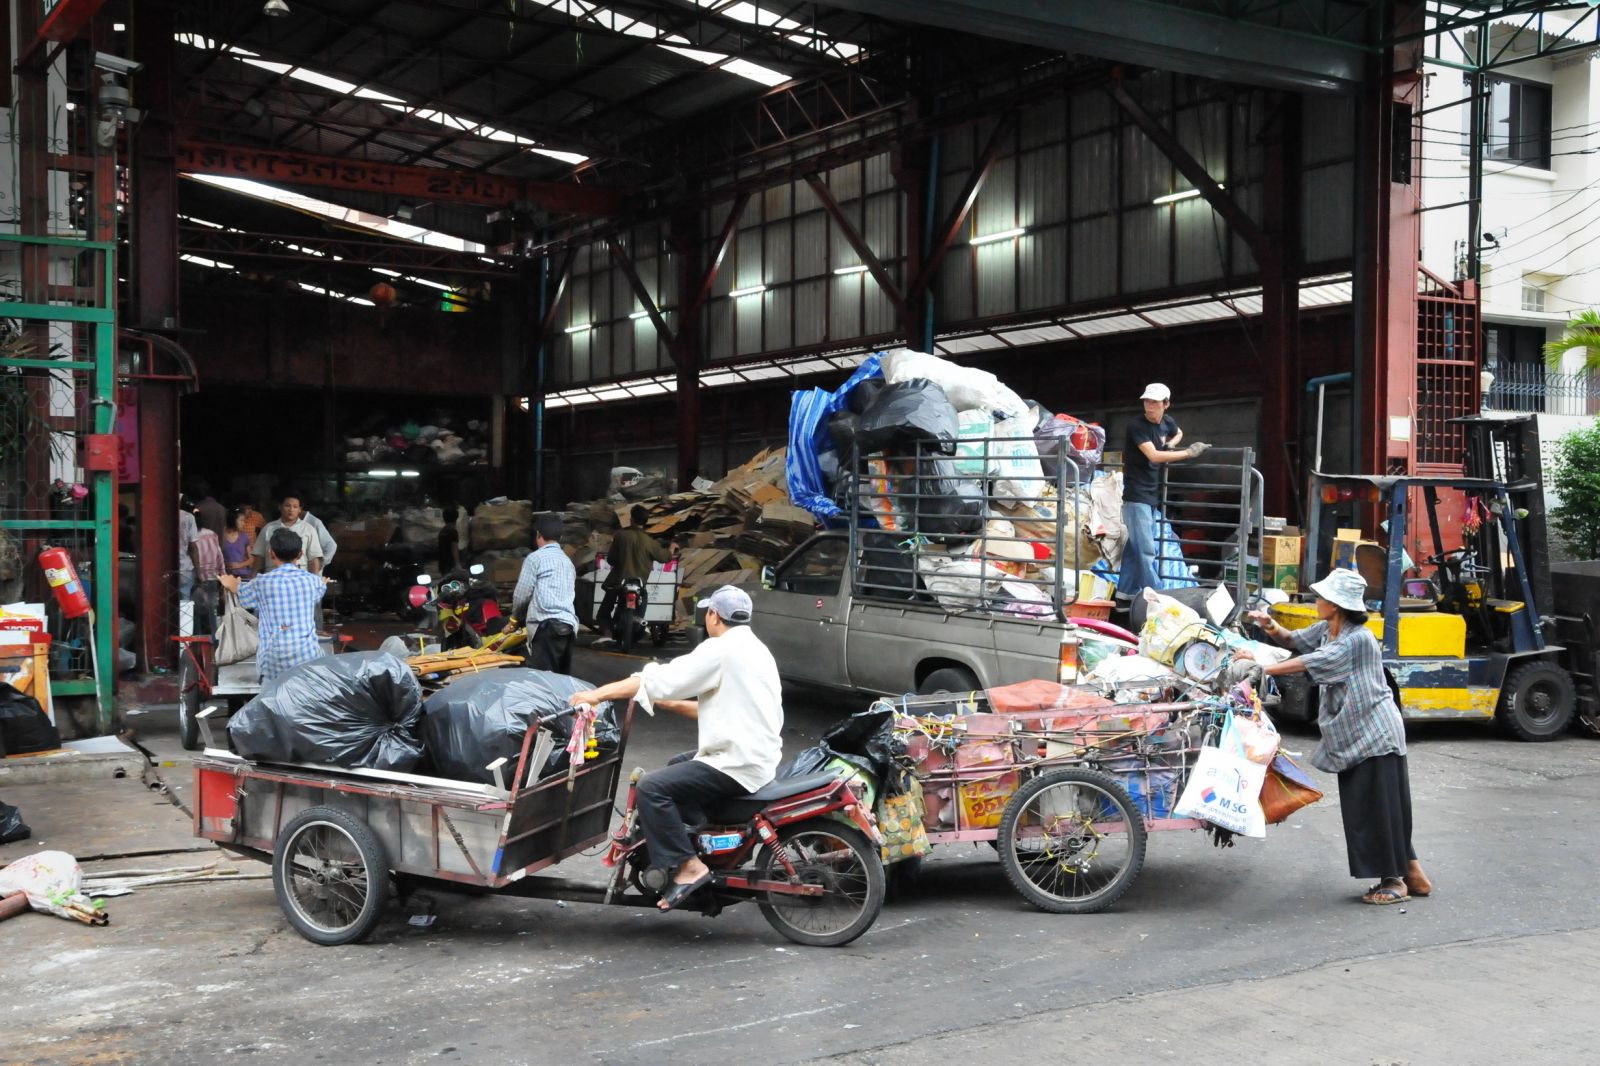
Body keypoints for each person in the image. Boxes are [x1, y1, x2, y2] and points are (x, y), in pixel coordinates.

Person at [569, 585, 783, 912]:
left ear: (713, 615)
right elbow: (718, 707)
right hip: (756, 756)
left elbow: (653, 679)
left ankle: (688, 866)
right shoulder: (757, 649)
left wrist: (597, 695)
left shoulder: (721, 650)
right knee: (675, 764)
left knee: (652, 788)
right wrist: (670, 703)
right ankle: (698, 843)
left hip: (736, 762)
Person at [1238, 567, 1432, 905]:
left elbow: (1310, 661)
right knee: (1386, 806)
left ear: (1337, 604)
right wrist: (1267, 624)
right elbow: (1294, 642)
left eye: (1322, 597)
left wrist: (1258, 669)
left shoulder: (1356, 640)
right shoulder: (1330, 630)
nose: (1317, 600)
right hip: (1360, 732)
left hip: (1374, 733)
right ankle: (1412, 873)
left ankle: (1393, 883)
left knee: (1374, 808)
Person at [1118, 382, 1209, 602]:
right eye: (1147, 401)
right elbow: (1154, 456)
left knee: (1135, 547)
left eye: (1155, 402)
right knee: (1147, 549)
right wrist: (1187, 453)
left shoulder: (1166, 422)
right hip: (1136, 494)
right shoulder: (1136, 426)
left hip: (1151, 494)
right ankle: (1158, 596)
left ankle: (1124, 595)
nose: (1149, 406)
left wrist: (1171, 443)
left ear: (1166, 404)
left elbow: (1178, 432)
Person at [218, 528, 326, 683]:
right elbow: (320, 590)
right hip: (307, 660)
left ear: (271, 553)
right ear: (300, 554)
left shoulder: (262, 582)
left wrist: (230, 583)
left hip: (273, 664)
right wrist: (323, 583)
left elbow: (243, 597)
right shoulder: (313, 581)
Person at [597, 505, 679, 642]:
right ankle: (640, 619)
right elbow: (664, 558)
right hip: (638, 583)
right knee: (644, 596)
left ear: (632, 519)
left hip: (617, 581)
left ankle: (607, 634)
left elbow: (611, 560)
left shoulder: (621, 536)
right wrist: (671, 549)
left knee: (604, 612)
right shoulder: (650, 542)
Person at [512, 514, 577, 673]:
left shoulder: (535, 558)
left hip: (547, 626)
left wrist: (514, 619)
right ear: (560, 537)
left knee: (542, 681)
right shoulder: (567, 562)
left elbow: (522, 594)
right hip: (568, 627)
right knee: (562, 679)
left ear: (538, 534)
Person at [252, 494, 324, 575]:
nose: (291, 509)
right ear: (280, 507)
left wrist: (316, 579)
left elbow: (313, 559)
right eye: (287, 506)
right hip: (272, 575)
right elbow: (259, 556)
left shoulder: (308, 529)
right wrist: (253, 576)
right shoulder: (268, 528)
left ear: (300, 509)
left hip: (299, 575)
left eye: (295, 507)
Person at [221, 507, 255, 580]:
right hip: (226, 576)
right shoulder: (221, 537)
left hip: (242, 575)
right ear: (233, 520)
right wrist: (226, 564)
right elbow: (216, 559)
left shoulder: (244, 537)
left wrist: (239, 565)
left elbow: (251, 559)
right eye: (241, 520)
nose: (244, 523)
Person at [177, 501, 201, 602]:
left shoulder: (159, 515)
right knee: (184, 603)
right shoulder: (188, 517)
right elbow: (193, 547)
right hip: (185, 569)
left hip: (164, 571)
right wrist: (198, 571)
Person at [438, 506, 462, 573]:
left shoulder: (442, 531)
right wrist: (457, 564)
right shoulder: (453, 531)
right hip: (451, 566)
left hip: (443, 565)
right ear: (456, 518)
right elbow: (454, 547)